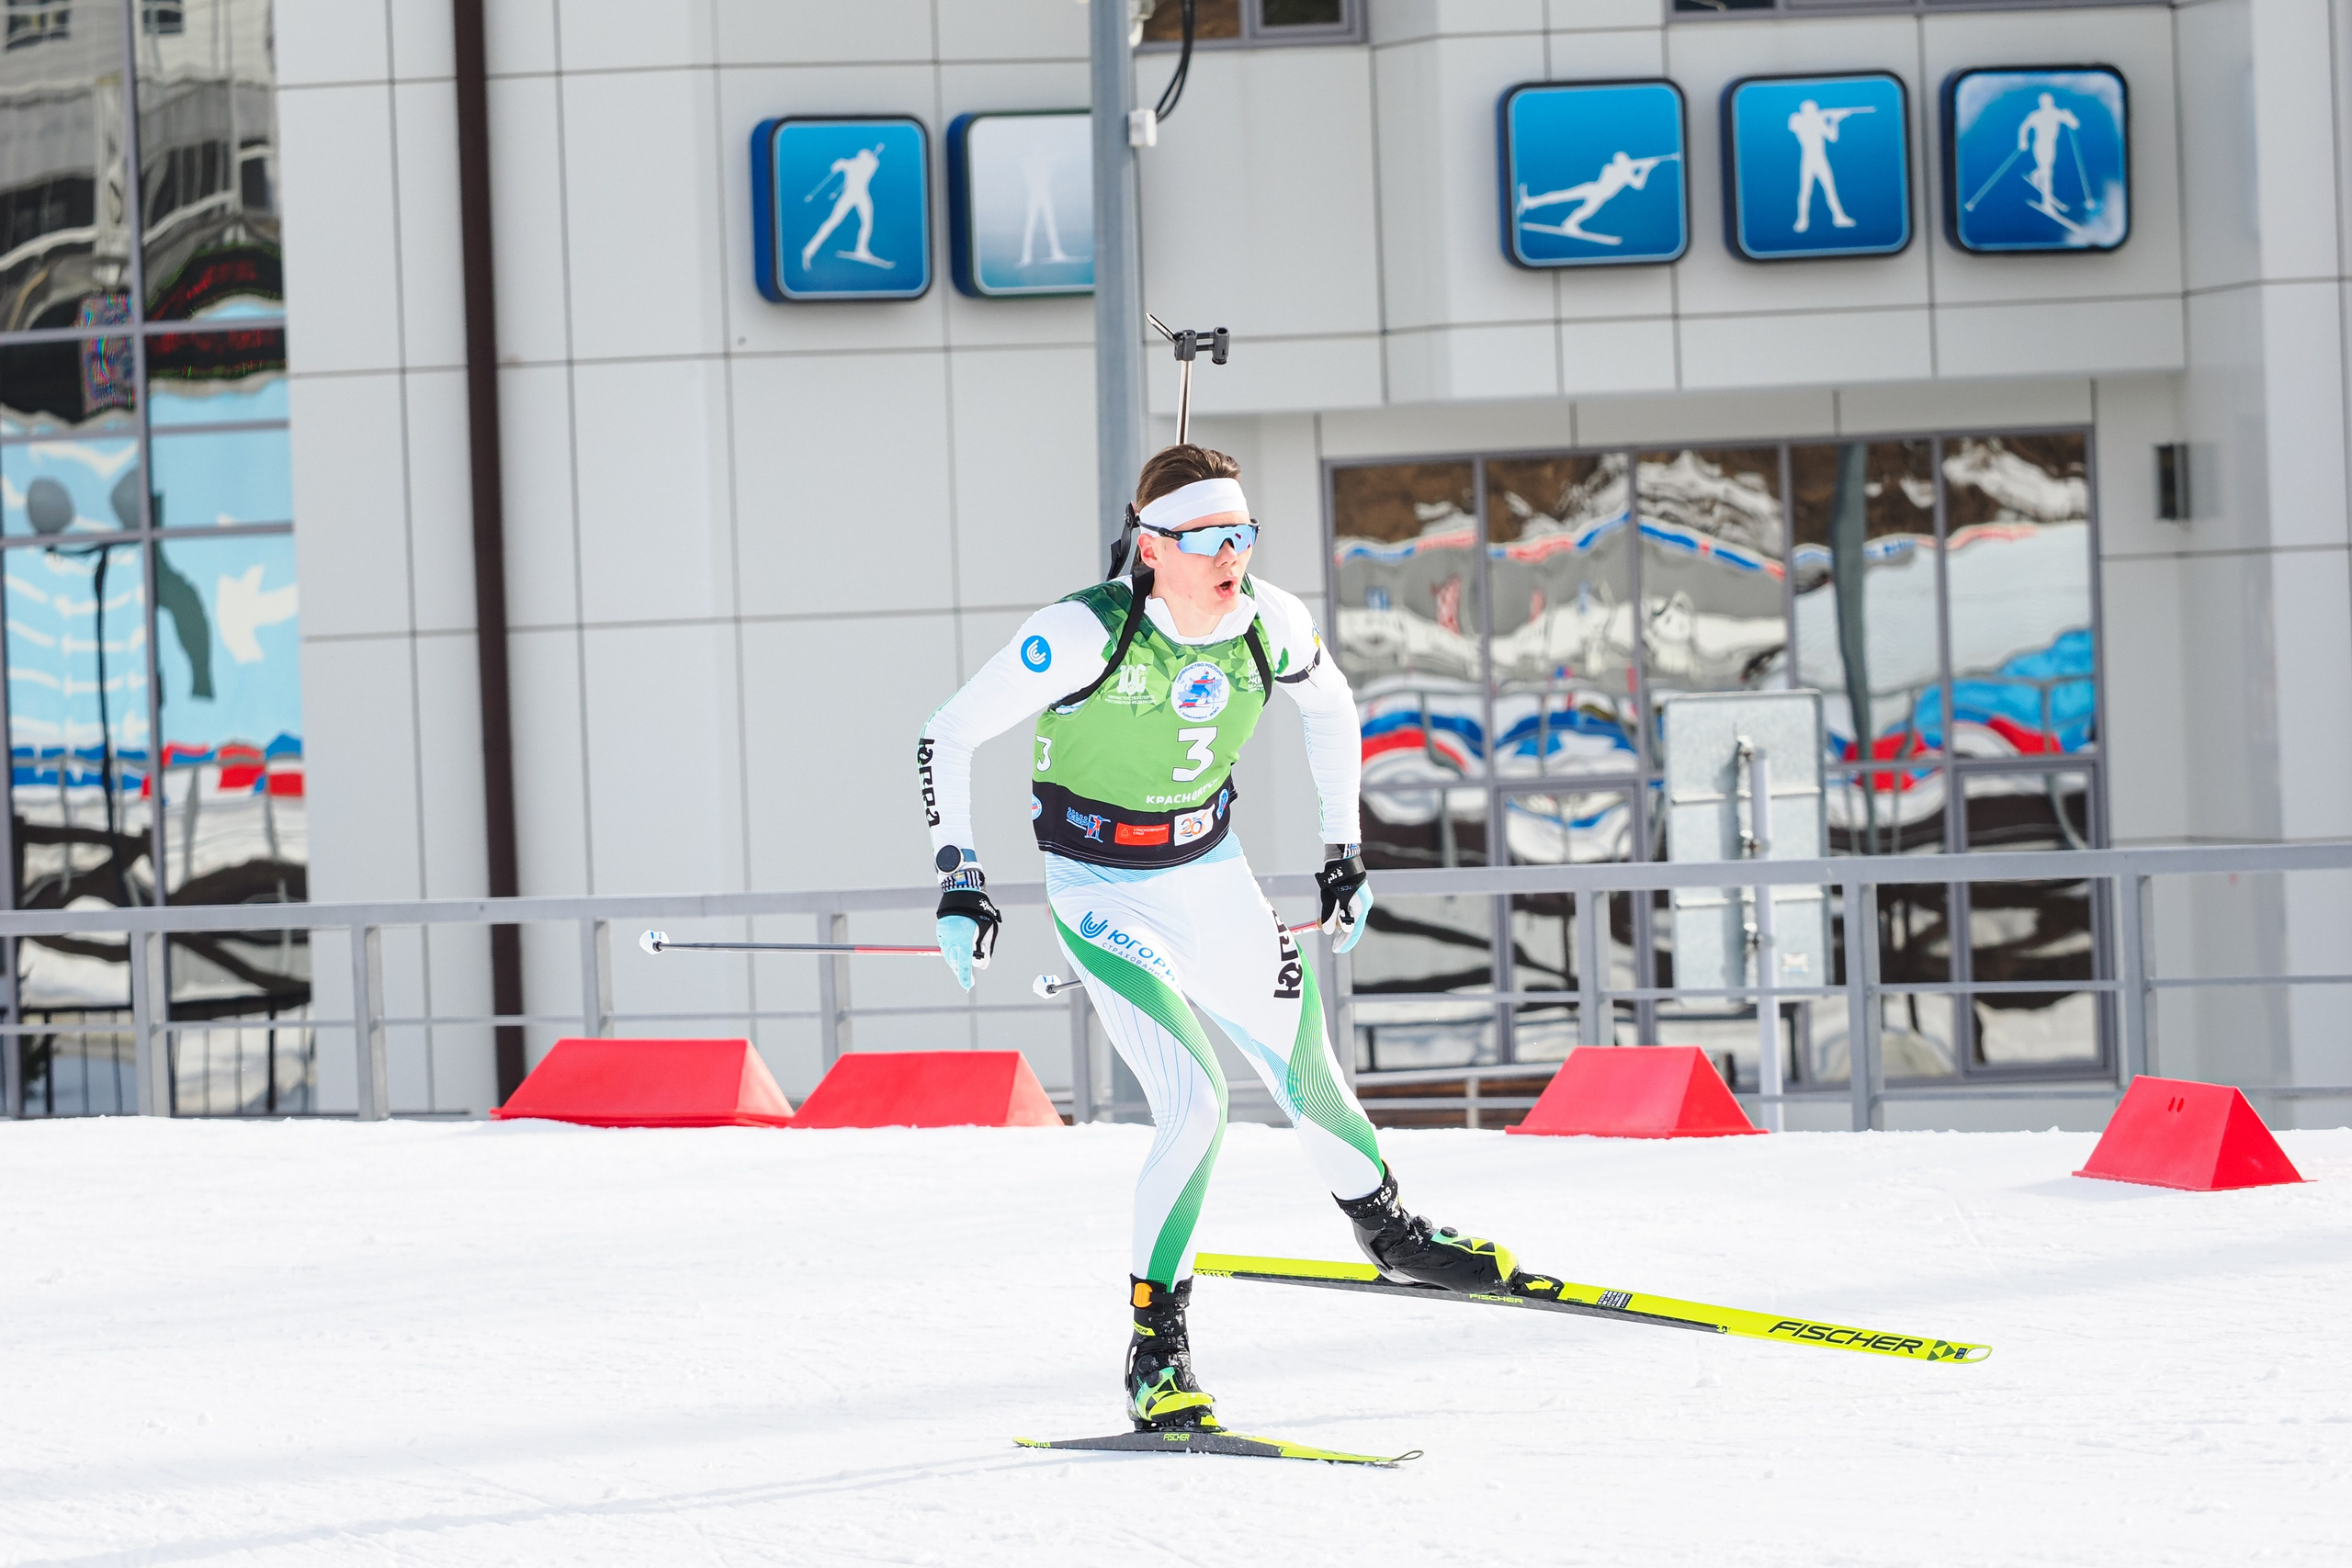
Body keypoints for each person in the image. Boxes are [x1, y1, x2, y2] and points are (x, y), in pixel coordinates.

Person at [915, 445, 1516, 1434]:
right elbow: (947, 733)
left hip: (1210, 874)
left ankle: (1389, 1233)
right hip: (1102, 887)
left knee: (1308, 1071)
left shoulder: (1268, 622)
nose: (1233, 555)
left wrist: (1343, 852)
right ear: (1151, 546)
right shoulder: (1082, 632)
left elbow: (1334, 708)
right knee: (1194, 1103)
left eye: (1243, 534)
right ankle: (1157, 1349)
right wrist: (961, 878)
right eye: (1209, 540)